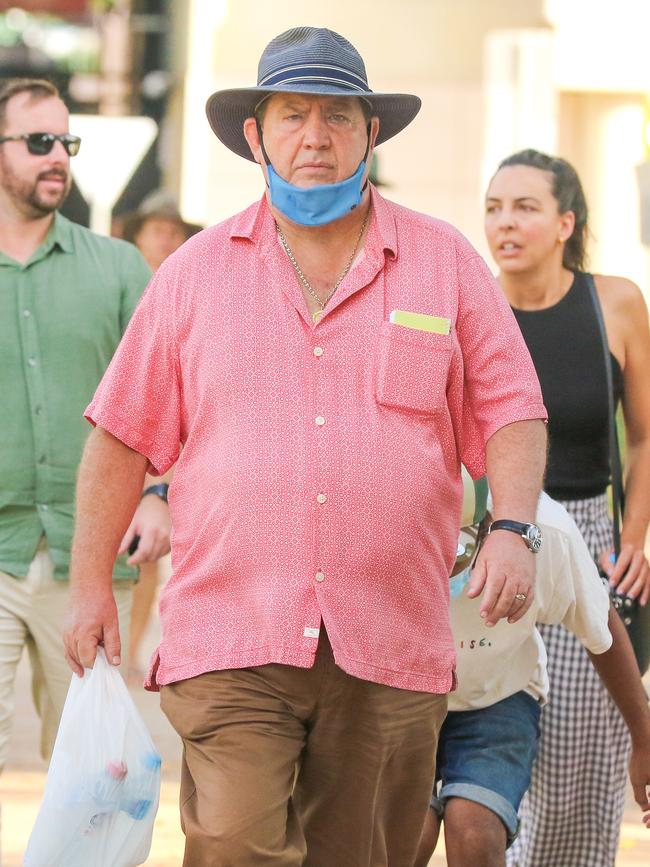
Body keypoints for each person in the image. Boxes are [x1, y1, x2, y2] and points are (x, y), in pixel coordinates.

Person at [63, 28, 547, 866]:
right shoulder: (194, 273)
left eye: (337, 116)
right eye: (293, 115)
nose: (314, 137)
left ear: (371, 132)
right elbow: (119, 436)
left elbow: (511, 407)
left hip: (389, 642)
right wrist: (88, 589)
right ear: (256, 135)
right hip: (233, 637)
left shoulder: (444, 263)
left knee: (366, 855)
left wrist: (512, 526)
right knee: (235, 846)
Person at [483, 148, 650, 866]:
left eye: (524, 207)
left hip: (592, 541)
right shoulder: (473, 308)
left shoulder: (614, 302)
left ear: (565, 222)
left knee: (581, 784)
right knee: (486, 782)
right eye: (493, 207)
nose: (504, 223)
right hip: (494, 545)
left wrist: (637, 536)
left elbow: (645, 436)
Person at [0, 77, 170, 774]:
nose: (57, 158)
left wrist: (160, 495)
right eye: (39, 142)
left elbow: (170, 397)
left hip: (94, 563)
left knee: (94, 777)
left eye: (66, 143)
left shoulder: (120, 269)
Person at [414, 479, 650, 867]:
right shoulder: (383, 519)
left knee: (475, 829)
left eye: (464, 549)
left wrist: (643, 737)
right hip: (408, 694)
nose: (452, 562)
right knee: (407, 834)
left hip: (500, 696)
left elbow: (602, 630)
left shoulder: (547, 531)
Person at [119, 192, 201, 678]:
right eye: (157, 230)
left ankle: (131, 649)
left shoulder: (191, 289)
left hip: (174, 446)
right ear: (139, 236)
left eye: (174, 231)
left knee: (147, 555)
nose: (167, 238)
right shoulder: (123, 290)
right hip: (125, 434)